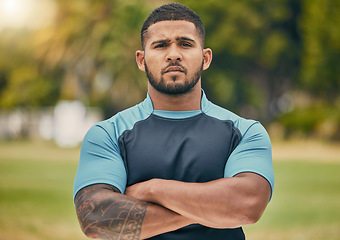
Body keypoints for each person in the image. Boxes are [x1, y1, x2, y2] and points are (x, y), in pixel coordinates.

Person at [73, 2, 274, 240]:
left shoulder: (244, 131)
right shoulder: (108, 134)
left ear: (205, 58)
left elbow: (248, 203)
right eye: (160, 45)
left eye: (186, 44)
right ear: (141, 59)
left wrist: (151, 189)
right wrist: (217, 210)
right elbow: (96, 218)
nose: (173, 54)